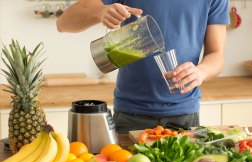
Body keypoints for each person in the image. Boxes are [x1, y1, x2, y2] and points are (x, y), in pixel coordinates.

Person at [57, 0, 229, 133]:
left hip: (185, 115)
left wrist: (201, 71)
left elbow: (216, 55)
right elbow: (63, 23)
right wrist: (100, 12)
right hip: (130, 115)